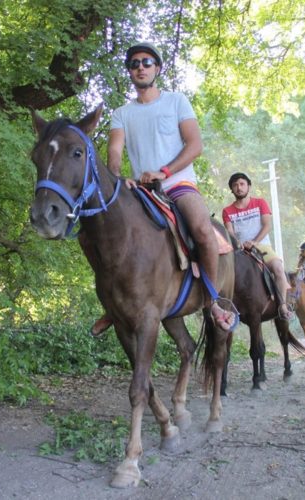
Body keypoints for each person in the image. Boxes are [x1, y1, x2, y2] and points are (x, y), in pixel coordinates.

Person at [90, 41, 236, 336]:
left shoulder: (176, 101)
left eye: (146, 62)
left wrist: (165, 171)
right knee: (99, 234)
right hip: (140, 189)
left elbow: (195, 145)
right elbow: (115, 152)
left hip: (177, 183)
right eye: (134, 64)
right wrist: (118, 178)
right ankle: (113, 304)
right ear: (130, 72)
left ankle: (212, 301)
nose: (140, 67)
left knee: (204, 231)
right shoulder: (121, 114)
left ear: (157, 68)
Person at [222, 172, 292, 319]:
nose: (239, 188)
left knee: (279, 269)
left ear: (249, 186)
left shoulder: (260, 203)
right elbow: (229, 232)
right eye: (235, 185)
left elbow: (267, 225)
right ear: (232, 190)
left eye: (242, 184)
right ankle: (224, 307)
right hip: (239, 251)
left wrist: (254, 242)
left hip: (262, 247)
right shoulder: (227, 211)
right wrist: (238, 244)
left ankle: (282, 306)